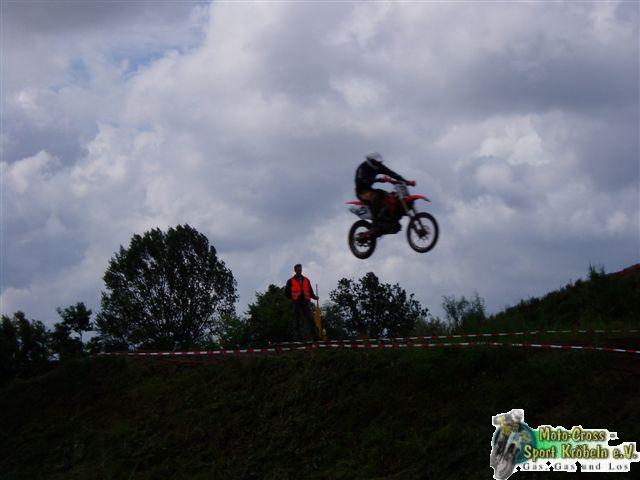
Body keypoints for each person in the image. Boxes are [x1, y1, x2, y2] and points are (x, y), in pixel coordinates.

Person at [355, 151, 413, 235]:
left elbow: (391, 173)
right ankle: (375, 224)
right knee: (376, 196)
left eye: (379, 163)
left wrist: (406, 181)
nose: (378, 164)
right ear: (370, 161)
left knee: (391, 197)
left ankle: (386, 218)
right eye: (376, 163)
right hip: (362, 192)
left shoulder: (378, 166)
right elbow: (364, 181)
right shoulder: (362, 168)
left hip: (370, 190)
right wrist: (378, 180)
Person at [284, 264, 319, 342]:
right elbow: (286, 293)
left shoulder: (306, 280)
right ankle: (298, 337)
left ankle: (315, 336)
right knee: (297, 319)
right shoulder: (290, 281)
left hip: (305, 302)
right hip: (296, 302)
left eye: (300, 269)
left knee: (310, 318)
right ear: (295, 270)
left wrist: (314, 297)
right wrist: (293, 298)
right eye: (298, 270)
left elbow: (310, 291)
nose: (300, 271)